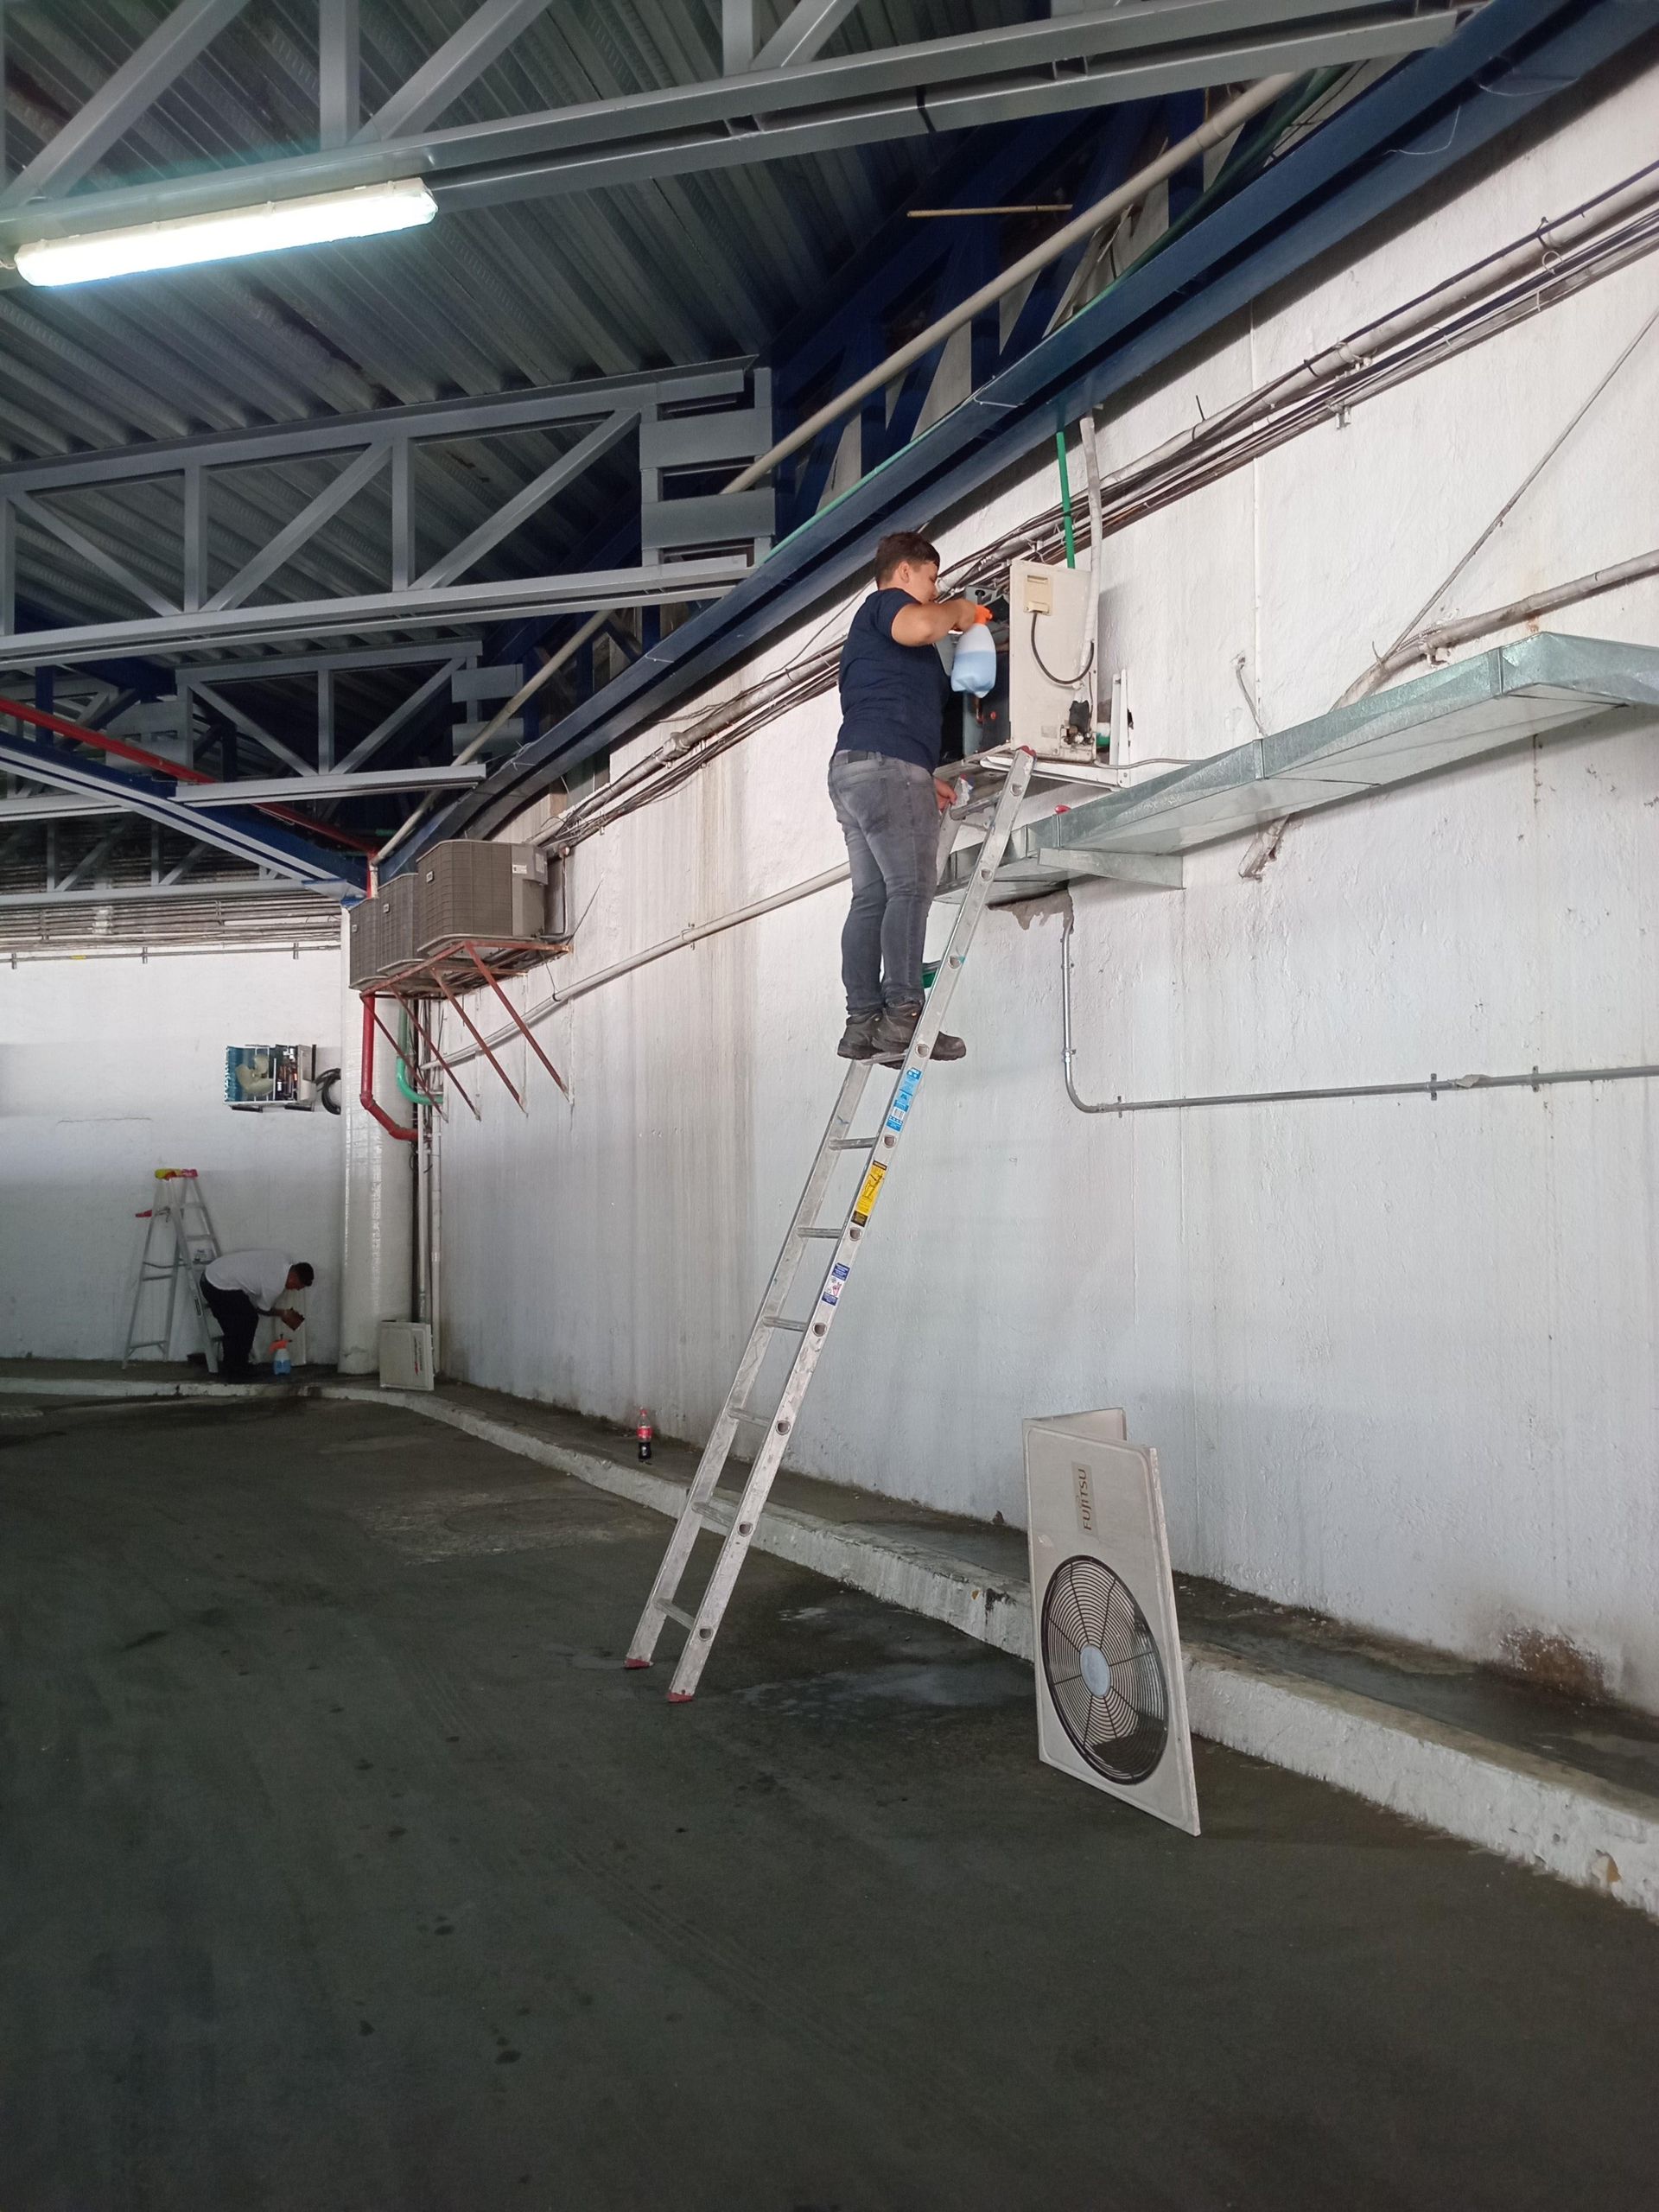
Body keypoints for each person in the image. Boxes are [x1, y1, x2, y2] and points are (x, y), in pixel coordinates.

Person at [828, 529, 984, 1065]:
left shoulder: (872, 641)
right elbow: (920, 626)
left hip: (857, 771)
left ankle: (862, 1022)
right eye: (932, 579)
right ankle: (904, 1016)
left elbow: (888, 704)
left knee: (872, 897)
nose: (935, 590)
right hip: (886, 770)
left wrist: (924, 773)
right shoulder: (887, 606)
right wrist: (960, 611)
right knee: (912, 888)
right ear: (904, 573)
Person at [200, 1249, 313, 1381]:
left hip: (214, 1273)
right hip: (216, 1285)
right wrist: (284, 1313)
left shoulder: (282, 1259)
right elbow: (261, 1309)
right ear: (293, 1277)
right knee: (246, 1320)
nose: (297, 1289)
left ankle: (238, 1364)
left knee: (241, 1320)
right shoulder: (275, 1285)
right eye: (298, 1286)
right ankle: (235, 1370)